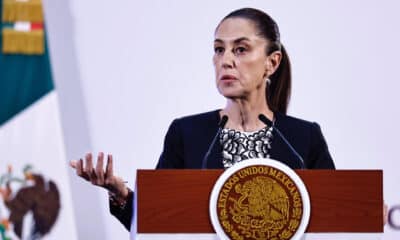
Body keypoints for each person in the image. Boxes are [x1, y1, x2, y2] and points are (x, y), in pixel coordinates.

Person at [70, 8, 336, 231]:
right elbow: (155, 226)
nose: (226, 60)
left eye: (241, 49)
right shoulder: (187, 134)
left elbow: (338, 218)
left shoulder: (303, 138)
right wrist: (120, 194)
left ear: (272, 62)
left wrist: (369, 217)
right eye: (219, 50)